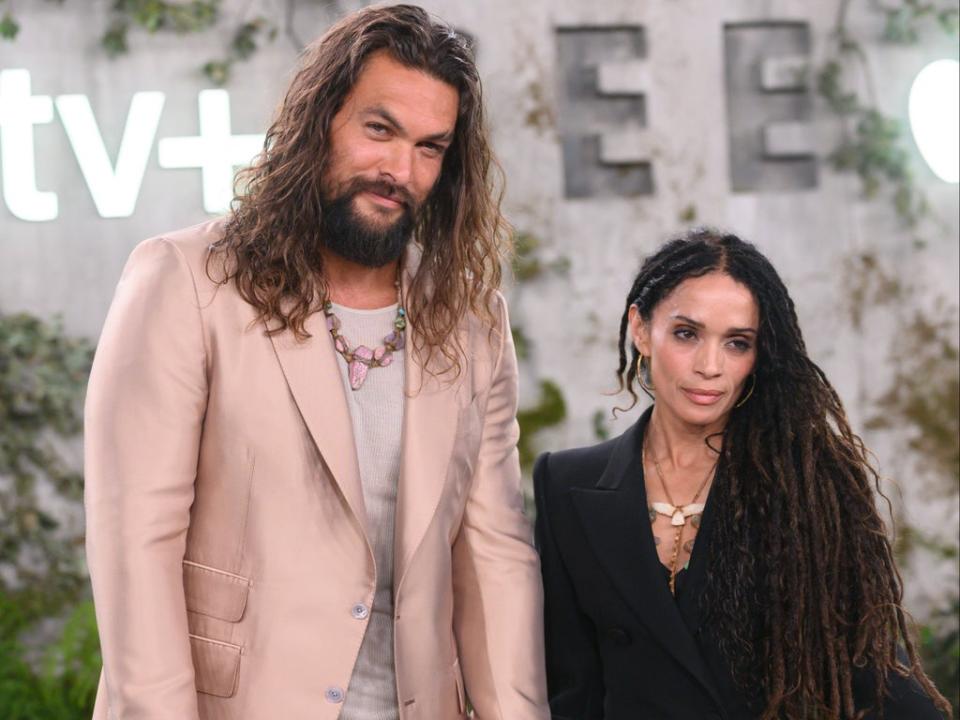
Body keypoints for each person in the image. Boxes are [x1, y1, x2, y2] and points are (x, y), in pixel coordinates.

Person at [84, 5, 549, 719]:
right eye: (380, 129)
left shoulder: (471, 319)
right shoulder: (185, 282)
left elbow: (495, 558)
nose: (401, 170)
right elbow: (135, 546)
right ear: (322, 119)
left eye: (430, 147)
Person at [534, 229, 951, 719]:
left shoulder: (803, 487)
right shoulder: (565, 484)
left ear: (759, 356)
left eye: (737, 343)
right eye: (687, 334)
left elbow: (873, 673)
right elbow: (572, 690)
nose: (710, 366)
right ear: (641, 329)